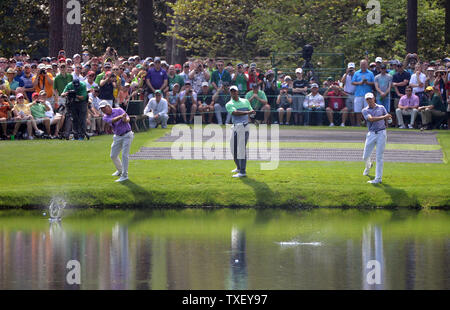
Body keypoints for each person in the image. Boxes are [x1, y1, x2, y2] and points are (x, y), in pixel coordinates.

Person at [361, 92, 392, 184]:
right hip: (371, 134)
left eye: (370, 98)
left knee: (379, 157)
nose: (369, 100)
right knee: (365, 156)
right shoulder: (365, 110)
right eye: (367, 99)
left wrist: (389, 119)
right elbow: (370, 119)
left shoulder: (381, 107)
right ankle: (368, 166)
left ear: (374, 98)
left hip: (381, 133)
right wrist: (384, 117)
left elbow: (388, 118)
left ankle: (378, 178)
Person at [226, 85, 256, 178]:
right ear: (230, 93)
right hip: (236, 127)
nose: (233, 93)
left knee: (241, 149)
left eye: (235, 91)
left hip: (244, 127)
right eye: (232, 91)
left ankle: (242, 172)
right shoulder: (229, 104)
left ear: (237, 92)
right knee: (233, 149)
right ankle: (239, 168)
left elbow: (251, 111)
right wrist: (248, 113)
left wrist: (252, 113)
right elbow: (235, 113)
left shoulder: (245, 101)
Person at [100, 101, 133, 183]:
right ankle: (120, 170)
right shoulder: (105, 117)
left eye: (104, 108)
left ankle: (125, 175)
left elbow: (128, 119)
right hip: (117, 136)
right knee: (113, 155)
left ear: (108, 106)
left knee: (124, 155)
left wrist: (125, 119)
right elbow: (112, 120)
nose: (103, 110)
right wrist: (121, 117)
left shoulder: (119, 110)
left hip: (127, 135)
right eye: (101, 109)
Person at [352, 60, 375, 126]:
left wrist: (367, 83)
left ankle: (367, 123)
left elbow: (374, 82)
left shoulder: (370, 73)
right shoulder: (356, 73)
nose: (363, 66)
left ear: (367, 65)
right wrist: (360, 83)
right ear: (360, 65)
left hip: (368, 95)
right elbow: (353, 82)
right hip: (358, 94)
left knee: (367, 110)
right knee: (358, 110)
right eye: (362, 65)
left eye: (365, 64)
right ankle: (358, 123)